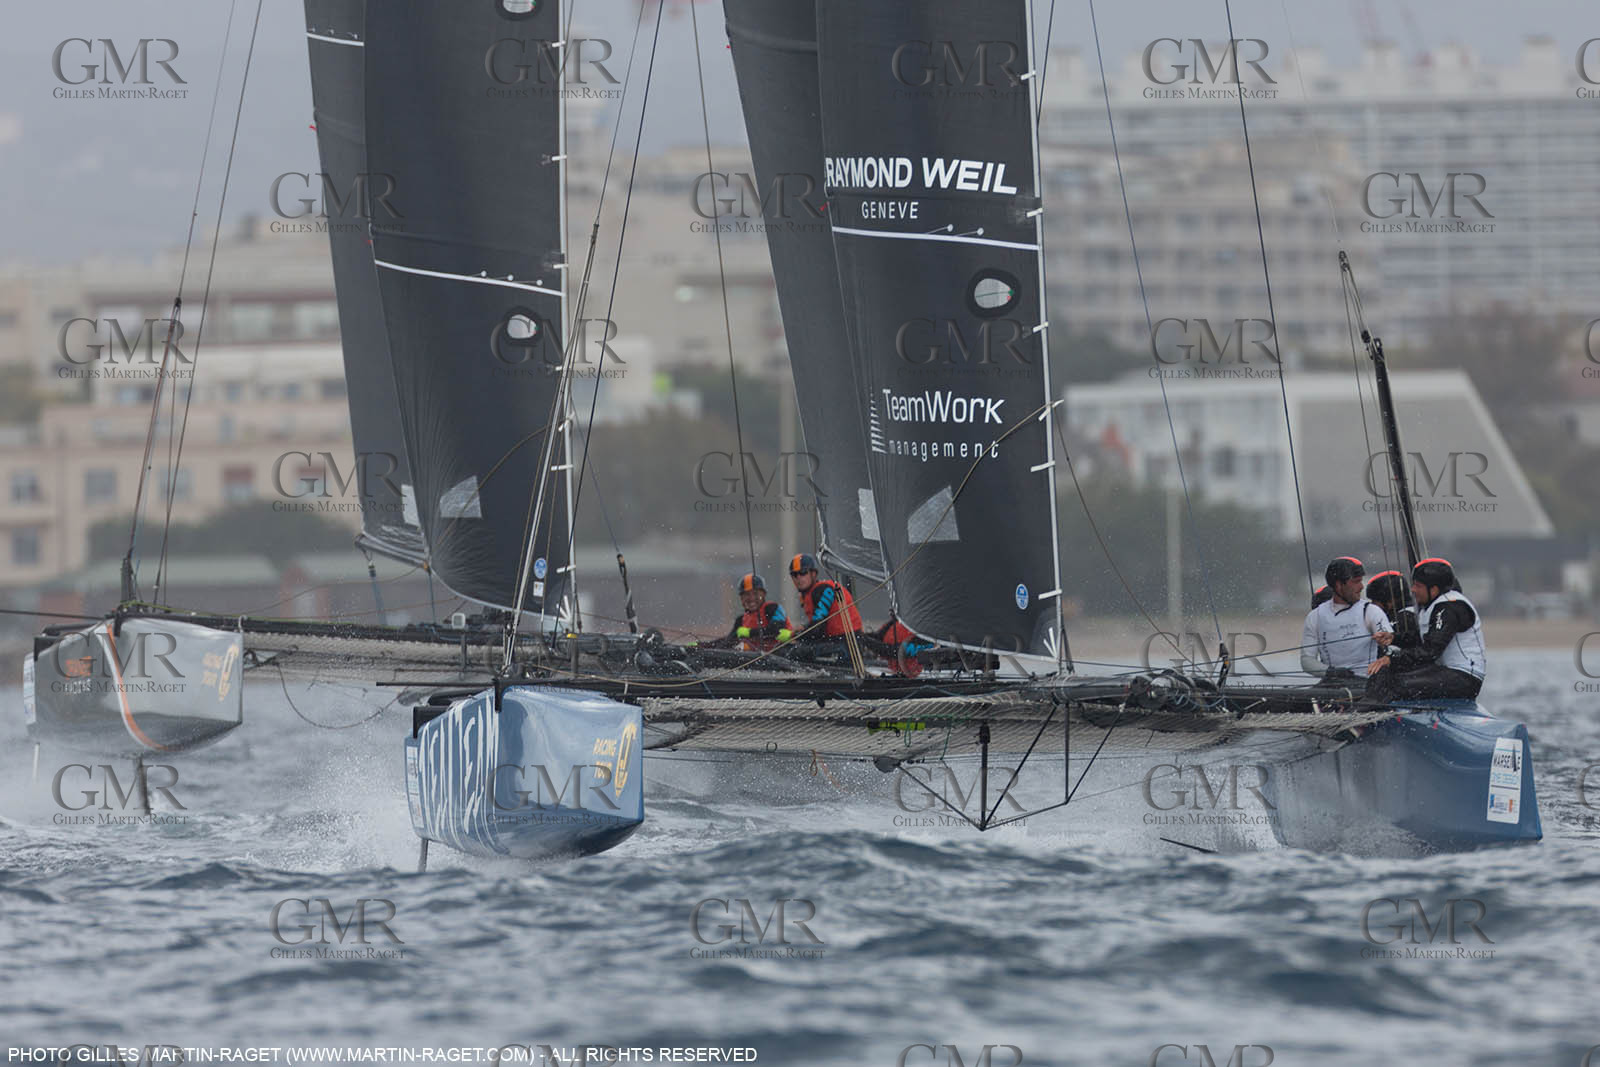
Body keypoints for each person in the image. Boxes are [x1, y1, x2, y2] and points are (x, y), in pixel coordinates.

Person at [1366, 558, 1486, 700]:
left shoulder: (1449, 607)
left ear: (1433, 589)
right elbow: (1422, 638)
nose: (1412, 590)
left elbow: (1431, 651)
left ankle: (1374, 714)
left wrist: (1393, 659)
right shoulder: (1430, 606)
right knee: (1386, 674)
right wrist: (1394, 638)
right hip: (1446, 672)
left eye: (1418, 586)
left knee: (1396, 684)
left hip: (1465, 679)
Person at [1300, 556, 1393, 677]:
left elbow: (1390, 643)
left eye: (1361, 581)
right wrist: (1332, 673)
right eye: (1356, 582)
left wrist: (1387, 638)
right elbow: (1307, 661)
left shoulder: (1371, 611)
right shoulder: (1315, 617)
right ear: (1339, 585)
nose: (1361, 587)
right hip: (1333, 681)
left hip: (1368, 683)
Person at [705, 572, 791, 652]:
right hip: (756, 658)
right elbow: (727, 641)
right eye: (746, 595)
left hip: (783, 652)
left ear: (764, 594)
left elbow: (776, 630)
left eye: (755, 593)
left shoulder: (773, 609)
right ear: (741, 599)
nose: (751, 598)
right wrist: (703, 646)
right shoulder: (740, 620)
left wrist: (749, 632)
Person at [787, 553, 862, 642]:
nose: (798, 577)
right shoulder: (809, 594)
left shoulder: (823, 590)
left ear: (813, 574)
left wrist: (795, 636)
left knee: (795, 652)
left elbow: (817, 628)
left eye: (803, 572)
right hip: (836, 640)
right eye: (794, 574)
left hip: (848, 643)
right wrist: (803, 628)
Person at [1365, 569, 1420, 647]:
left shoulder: (1405, 619)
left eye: (1375, 601)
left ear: (1391, 600)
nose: (1373, 605)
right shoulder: (1416, 612)